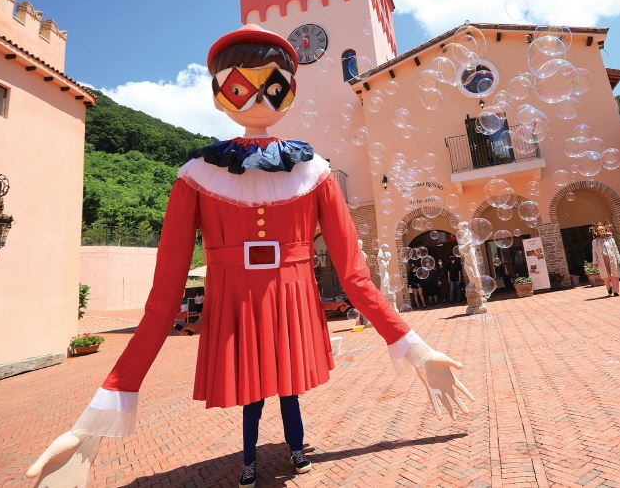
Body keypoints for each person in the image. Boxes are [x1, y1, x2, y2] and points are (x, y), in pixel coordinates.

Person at [25, 25, 473, 488]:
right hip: (235, 305)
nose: (258, 98)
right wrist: (93, 422)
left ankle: (288, 453)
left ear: (290, 92)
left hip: (292, 301)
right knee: (254, 395)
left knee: (286, 392)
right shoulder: (195, 175)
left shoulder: (314, 171)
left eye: (273, 85)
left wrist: (417, 349)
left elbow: (355, 276)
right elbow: (162, 302)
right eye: (240, 87)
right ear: (219, 95)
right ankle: (251, 461)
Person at [590, 220, 620, 297]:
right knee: (606, 276)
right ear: (596, 232)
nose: (601, 231)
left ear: (605, 229)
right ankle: (609, 288)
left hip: (612, 258)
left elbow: (615, 249)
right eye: (599, 230)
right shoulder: (595, 241)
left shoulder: (611, 239)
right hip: (602, 260)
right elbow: (594, 252)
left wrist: (619, 259)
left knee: (614, 275)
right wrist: (595, 261)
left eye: (602, 229)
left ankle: (615, 291)